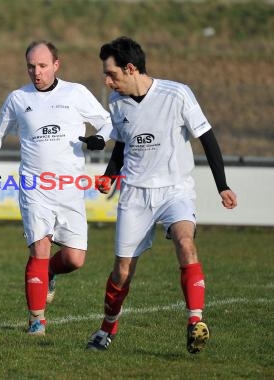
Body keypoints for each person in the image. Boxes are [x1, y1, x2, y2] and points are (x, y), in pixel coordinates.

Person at [86, 37, 238, 354]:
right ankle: (106, 329)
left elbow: (207, 139)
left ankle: (195, 322)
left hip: (174, 190)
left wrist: (221, 185)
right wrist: (109, 177)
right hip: (135, 195)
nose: (107, 81)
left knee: (186, 243)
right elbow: (123, 147)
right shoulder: (116, 103)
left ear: (130, 68)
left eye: (111, 74)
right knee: (122, 271)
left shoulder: (177, 94)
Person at [0, 40, 113, 335]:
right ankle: (36, 320)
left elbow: (108, 123)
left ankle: (51, 271)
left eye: (42, 66)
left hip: (69, 188)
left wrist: (100, 139)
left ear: (56, 64)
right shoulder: (18, 98)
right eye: (31, 66)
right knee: (40, 247)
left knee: (75, 259)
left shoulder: (76, 93)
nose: (36, 72)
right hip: (34, 187)